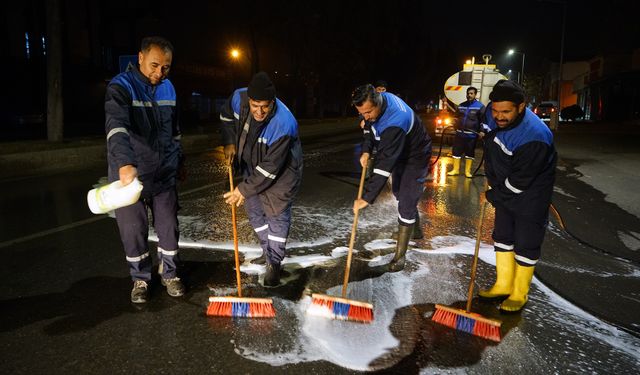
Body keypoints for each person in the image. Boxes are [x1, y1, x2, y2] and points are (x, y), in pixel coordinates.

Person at [104, 36, 185, 303]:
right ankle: (140, 278)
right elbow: (116, 127)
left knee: (168, 226)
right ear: (139, 58)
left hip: (163, 173)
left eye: (166, 67)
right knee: (133, 230)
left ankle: (170, 273)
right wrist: (125, 163)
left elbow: (174, 131)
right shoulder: (121, 87)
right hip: (131, 176)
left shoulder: (168, 88)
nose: (159, 73)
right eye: (154, 65)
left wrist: (179, 162)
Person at [479, 80, 557, 313]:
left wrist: (493, 195)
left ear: (521, 107)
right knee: (503, 236)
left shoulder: (535, 137)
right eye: (495, 110)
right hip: (504, 187)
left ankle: (519, 293)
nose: (498, 116)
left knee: (526, 243)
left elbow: (521, 181)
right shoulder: (493, 113)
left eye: (505, 112)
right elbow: (490, 133)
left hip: (530, 195)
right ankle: (503, 284)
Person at [220, 71, 303, 287]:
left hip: (282, 173)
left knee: (276, 216)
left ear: (272, 102)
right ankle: (267, 252)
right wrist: (229, 141)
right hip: (252, 166)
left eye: (264, 106)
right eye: (255, 105)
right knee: (254, 210)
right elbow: (226, 117)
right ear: (249, 99)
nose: (259, 111)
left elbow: (270, 169)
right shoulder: (239, 98)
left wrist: (242, 190)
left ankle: (274, 263)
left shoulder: (284, 123)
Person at [352, 84, 432, 271]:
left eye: (368, 112)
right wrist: (366, 150)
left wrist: (367, 197)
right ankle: (416, 228)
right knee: (398, 191)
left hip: (415, 155)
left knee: (406, 198)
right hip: (399, 150)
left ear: (379, 101)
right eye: (361, 113)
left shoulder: (395, 120)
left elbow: (384, 164)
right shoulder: (373, 105)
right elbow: (369, 128)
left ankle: (399, 258)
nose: (366, 116)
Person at [448, 86, 485, 178]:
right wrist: (454, 123)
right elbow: (456, 117)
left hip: (471, 135)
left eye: (471, 93)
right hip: (460, 133)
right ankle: (455, 170)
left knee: (469, 152)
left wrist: (482, 131)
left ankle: (467, 172)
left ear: (475, 95)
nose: (469, 95)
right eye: (468, 93)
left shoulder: (480, 107)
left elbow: (483, 120)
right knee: (456, 152)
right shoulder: (461, 105)